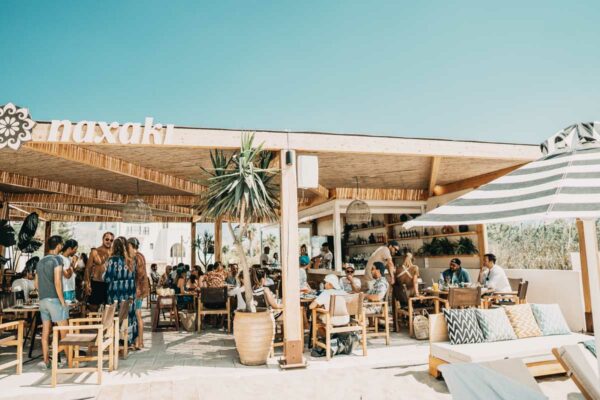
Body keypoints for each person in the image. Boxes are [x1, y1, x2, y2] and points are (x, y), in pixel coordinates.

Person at [35, 235, 67, 369]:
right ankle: (71, 361)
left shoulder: (40, 262)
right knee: (65, 332)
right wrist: (62, 301)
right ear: (59, 245)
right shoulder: (57, 259)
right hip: (54, 299)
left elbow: (36, 284)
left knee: (45, 332)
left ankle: (46, 361)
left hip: (42, 301)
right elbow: (57, 282)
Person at [103, 236, 137, 348]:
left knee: (114, 317)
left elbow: (107, 278)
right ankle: (126, 339)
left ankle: (113, 339)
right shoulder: (132, 261)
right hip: (129, 294)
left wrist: (105, 270)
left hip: (115, 294)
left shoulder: (112, 260)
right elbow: (133, 278)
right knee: (127, 317)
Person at [84, 232, 114, 311]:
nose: (109, 241)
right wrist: (87, 284)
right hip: (97, 283)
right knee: (93, 307)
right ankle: (94, 323)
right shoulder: (95, 252)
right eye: (107, 239)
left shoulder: (114, 253)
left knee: (109, 308)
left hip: (110, 284)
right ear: (103, 239)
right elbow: (88, 268)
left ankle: (106, 324)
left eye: (111, 240)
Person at [128, 237, 148, 350]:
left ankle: (138, 343)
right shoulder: (141, 256)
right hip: (140, 290)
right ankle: (140, 342)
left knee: (137, 316)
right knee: (138, 316)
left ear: (131, 246)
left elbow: (138, 274)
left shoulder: (135, 257)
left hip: (136, 291)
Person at [58, 239, 78, 305]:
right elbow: (67, 275)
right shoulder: (60, 258)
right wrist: (72, 265)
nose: (76, 251)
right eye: (75, 249)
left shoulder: (69, 259)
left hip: (70, 289)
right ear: (69, 248)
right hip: (65, 290)